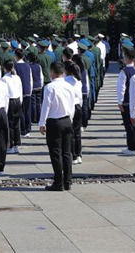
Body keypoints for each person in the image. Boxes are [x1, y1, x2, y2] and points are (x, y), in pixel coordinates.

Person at [39, 62, 76, 191]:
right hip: (67, 120)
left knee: (56, 153)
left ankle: (58, 182)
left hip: (54, 122)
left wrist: (42, 123)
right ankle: (68, 181)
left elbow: (46, 106)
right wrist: (70, 119)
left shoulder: (50, 87)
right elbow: (72, 105)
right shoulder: (69, 86)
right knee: (67, 153)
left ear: (52, 73)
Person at [62, 48, 84, 164]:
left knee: (70, 134)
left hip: (70, 107)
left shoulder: (65, 81)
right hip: (78, 106)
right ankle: (79, 154)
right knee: (77, 133)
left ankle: (73, 155)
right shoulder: (78, 80)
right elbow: (80, 97)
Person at [116, 47, 135, 155]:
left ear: (127, 58)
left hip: (127, 101)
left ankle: (132, 147)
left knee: (129, 125)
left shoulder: (124, 71)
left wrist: (120, 102)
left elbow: (121, 88)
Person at [2, 60, 23, 154]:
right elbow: (20, 89)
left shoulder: (4, 79)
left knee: (10, 124)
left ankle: (10, 145)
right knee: (16, 124)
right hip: (17, 100)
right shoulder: (17, 77)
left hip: (10, 101)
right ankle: (17, 144)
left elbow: (4, 93)